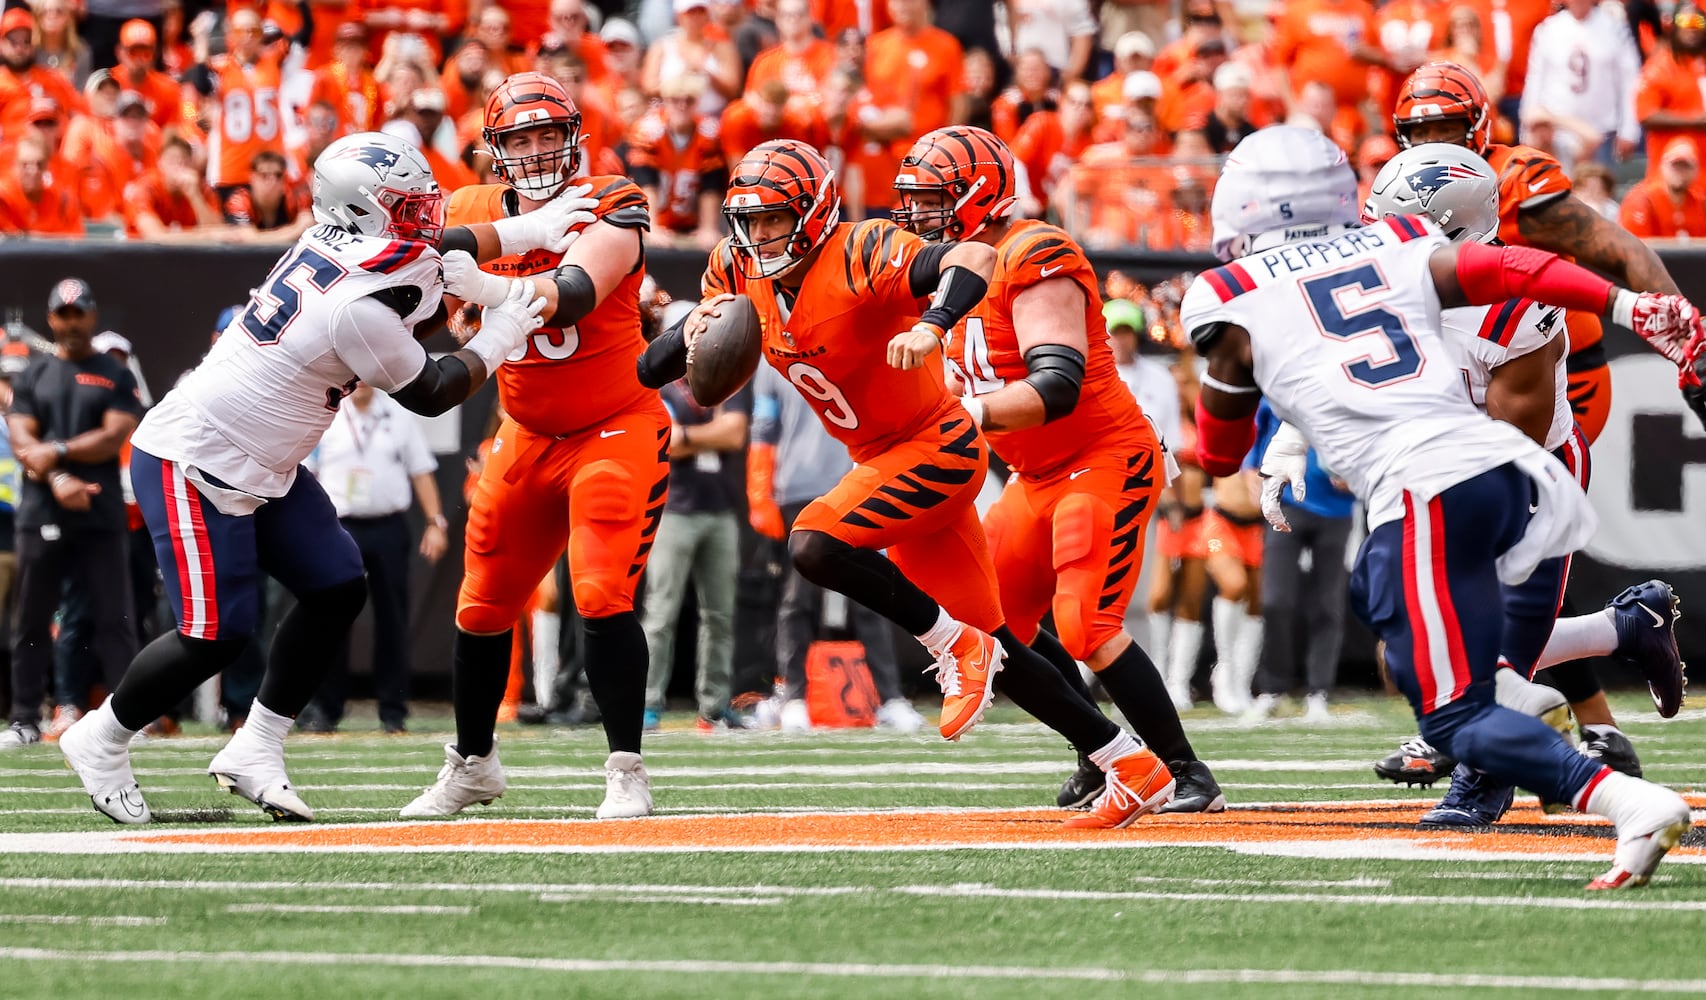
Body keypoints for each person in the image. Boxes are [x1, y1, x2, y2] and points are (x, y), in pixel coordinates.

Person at [1183, 125, 1697, 890]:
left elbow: (1227, 438)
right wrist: (1292, 441)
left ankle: (1558, 779)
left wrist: (1266, 437)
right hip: (1441, 475)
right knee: (1414, 641)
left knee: (1463, 689)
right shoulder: (1391, 256)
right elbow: (1336, 344)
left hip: (1502, 468)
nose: (1382, 226)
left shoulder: (1488, 308)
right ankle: (1618, 633)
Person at [640, 138, 1174, 829]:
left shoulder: (860, 249)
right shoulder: (737, 270)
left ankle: (951, 645)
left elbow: (975, 256)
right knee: (1003, 646)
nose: (762, 235)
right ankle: (1128, 762)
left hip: (935, 444)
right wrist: (687, 334)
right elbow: (656, 372)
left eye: (776, 218)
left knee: (814, 545)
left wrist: (933, 325)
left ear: (813, 211)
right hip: (882, 455)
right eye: (752, 220)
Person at [57, 129, 580, 825]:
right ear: (365, 212)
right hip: (196, 456)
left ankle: (257, 747)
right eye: (407, 203)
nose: (426, 211)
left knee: (337, 584)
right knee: (215, 632)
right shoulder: (356, 306)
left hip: (264, 459)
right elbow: (432, 389)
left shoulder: (343, 242)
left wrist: (530, 229)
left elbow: (442, 249)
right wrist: (501, 329)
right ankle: (102, 735)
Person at [893, 125, 1226, 815]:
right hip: (1034, 473)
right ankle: (1103, 751)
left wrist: (970, 414)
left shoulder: (1032, 251)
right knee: (989, 622)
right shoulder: (951, 274)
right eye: (914, 201)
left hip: (1103, 457)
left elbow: (1057, 383)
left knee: (1085, 625)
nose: (918, 216)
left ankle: (1184, 770)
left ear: (979, 195)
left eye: (931, 200)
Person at [1384, 62, 1696, 779]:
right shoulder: (1395, 192)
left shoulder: (1517, 182)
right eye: (1420, 132)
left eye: (1446, 129)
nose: (1434, 145)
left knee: (1478, 567)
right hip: (1463, 372)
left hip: (1550, 374)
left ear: (1480, 130)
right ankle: (1606, 690)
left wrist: (1679, 326)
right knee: (1470, 581)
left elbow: (1619, 251)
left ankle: (1469, 737)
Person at [399, 73, 663, 823]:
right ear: (497, 150)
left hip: (615, 423)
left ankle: (625, 768)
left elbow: (573, 290)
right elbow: (412, 269)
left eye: (551, 134)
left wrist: (477, 287)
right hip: (525, 430)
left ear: (575, 137)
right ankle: (473, 764)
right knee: (481, 605)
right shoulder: (472, 208)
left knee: (600, 588)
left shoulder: (612, 199)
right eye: (522, 138)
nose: (539, 150)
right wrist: (448, 300)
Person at [0, 279, 142, 750]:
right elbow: (21, 442)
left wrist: (56, 452)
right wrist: (60, 478)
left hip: (99, 510)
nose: (72, 322)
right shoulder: (33, 375)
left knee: (115, 617)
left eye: (79, 312)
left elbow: (113, 434)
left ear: (92, 316)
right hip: (43, 508)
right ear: (51, 319)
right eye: (63, 314)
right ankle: (24, 717)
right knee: (32, 617)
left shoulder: (116, 374)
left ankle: (127, 720)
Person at [748, 361, 924, 734]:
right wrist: (759, 492)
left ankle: (890, 699)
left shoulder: (850, 336)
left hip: (857, 482)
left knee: (871, 595)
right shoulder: (770, 355)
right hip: (797, 485)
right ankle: (794, 697)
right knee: (798, 598)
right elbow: (764, 427)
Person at [300, 382, 448, 735]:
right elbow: (304, 473)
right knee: (332, 618)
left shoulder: (397, 415)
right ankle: (326, 710)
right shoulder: (326, 416)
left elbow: (421, 471)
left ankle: (393, 711)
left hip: (387, 527)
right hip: (337, 527)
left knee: (393, 618)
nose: (361, 381)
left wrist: (436, 522)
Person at [640, 379, 750, 732]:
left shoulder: (729, 385)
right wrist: (705, 433)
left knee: (719, 615)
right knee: (660, 612)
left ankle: (715, 707)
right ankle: (645, 703)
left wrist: (687, 436)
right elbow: (662, 440)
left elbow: (734, 434)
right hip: (673, 510)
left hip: (720, 509)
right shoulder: (663, 387)